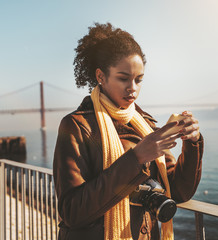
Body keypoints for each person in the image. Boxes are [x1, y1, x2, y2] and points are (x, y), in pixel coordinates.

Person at [53, 22, 204, 240]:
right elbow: (72, 212)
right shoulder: (76, 126)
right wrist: (136, 158)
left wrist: (193, 142)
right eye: (123, 78)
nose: (132, 87)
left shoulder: (146, 124)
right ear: (101, 77)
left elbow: (179, 191)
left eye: (139, 79)